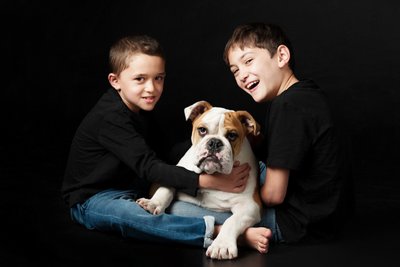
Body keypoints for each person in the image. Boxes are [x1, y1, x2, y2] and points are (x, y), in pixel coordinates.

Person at [61, 34, 271, 253]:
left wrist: (206, 148)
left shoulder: (139, 109)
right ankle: (219, 232)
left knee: (170, 207)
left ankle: (232, 227)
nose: (151, 88)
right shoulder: (111, 118)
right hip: (92, 199)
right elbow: (150, 167)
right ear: (115, 81)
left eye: (158, 78)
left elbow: (167, 153)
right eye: (140, 79)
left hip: (134, 189)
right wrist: (209, 182)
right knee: (133, 217)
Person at [222, 22, 354, 244]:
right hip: (331, 219)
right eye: (235, 71)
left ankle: (231, 234)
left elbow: (273, 196)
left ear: (281, 56)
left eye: (248, 61)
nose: (242, 75)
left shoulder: (288, 106)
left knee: (181, 208)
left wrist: (231, 192)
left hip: (296, 223)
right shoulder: (307, 94)